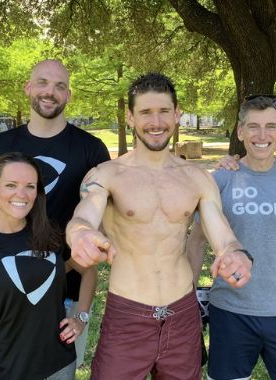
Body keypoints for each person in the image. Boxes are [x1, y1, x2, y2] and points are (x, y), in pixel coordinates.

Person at [67, 72, 253, 379]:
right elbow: (84, 215)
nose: (156, 122)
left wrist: (234, 252)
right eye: (145, 112)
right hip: (128, 315)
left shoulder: (197, 178)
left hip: (182, 315)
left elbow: (221, 232)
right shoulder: (106, 174)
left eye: (164, 111)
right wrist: (81, 234)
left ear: (177, 113)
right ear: (130, 117)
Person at [0, 59, 109, 367]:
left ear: (69, 95)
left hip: (66, 297)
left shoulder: (91, 150)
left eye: (60, 86)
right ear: (28, 88)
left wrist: (81, 310)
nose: (51, 92)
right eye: (43, 83)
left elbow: (98, 232)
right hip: (3, 293)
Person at [187, 95, 276, 379]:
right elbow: (196, 241)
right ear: (240, 131)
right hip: (230, 312)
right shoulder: (220, 180)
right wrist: (189, 300)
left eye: (270, 127)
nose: (261, 135)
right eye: (253, 126)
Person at [0, 152, 78, 379]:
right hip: (10, 371)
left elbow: (84, 268)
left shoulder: (48, 234)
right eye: (11, 185)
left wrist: (80, 317)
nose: (21, 194)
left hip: (61, 365)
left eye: (30, 186)